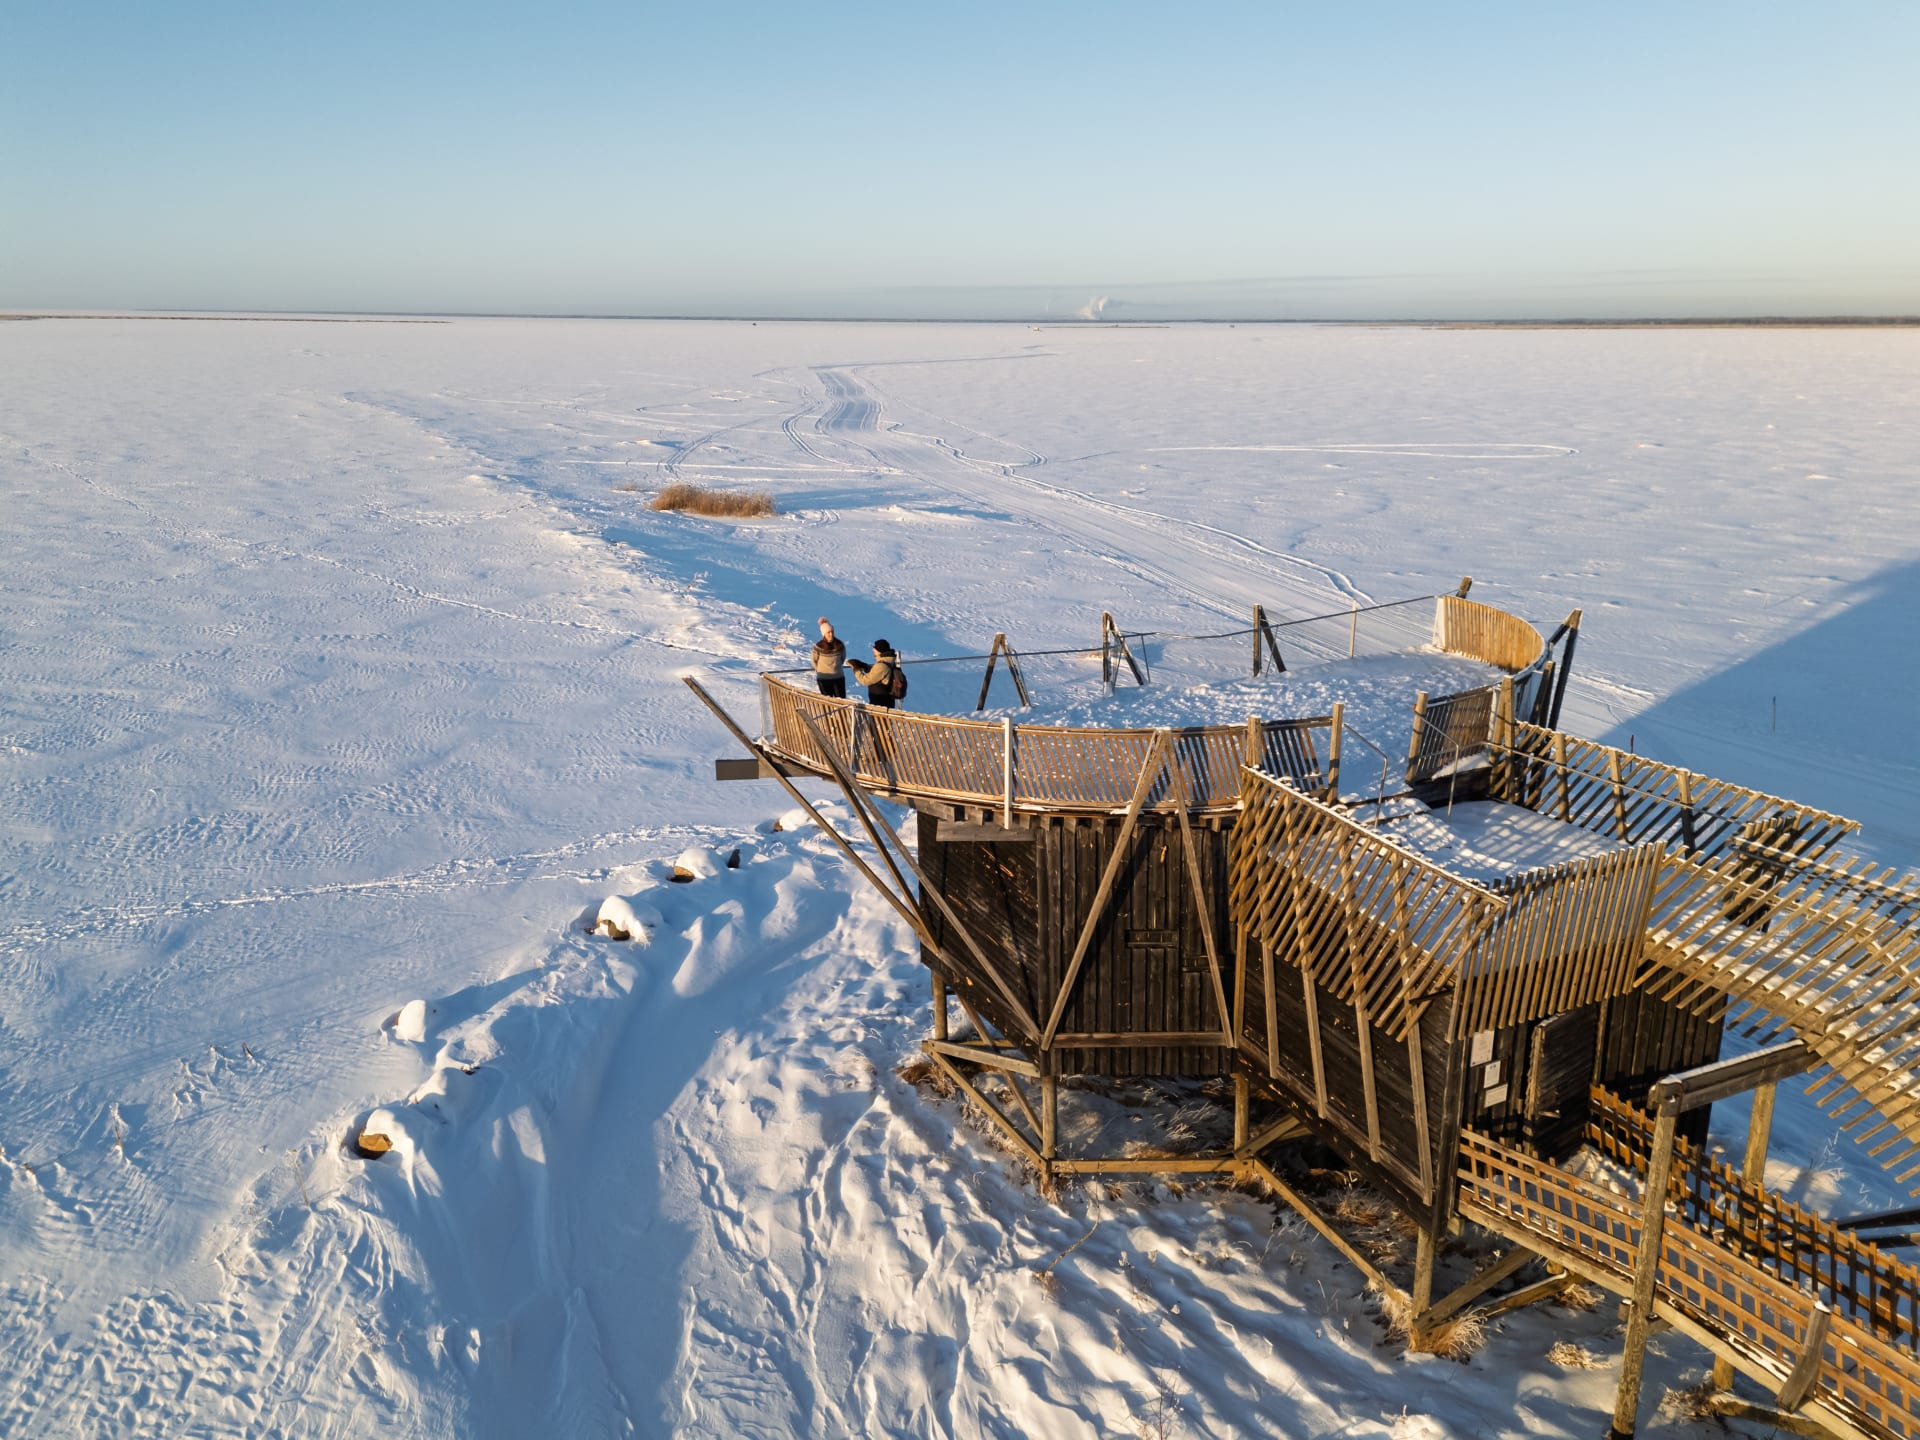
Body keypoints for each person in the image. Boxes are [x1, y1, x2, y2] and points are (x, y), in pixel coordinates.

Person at [849, 639, 899, 708]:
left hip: (880, 703)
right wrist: (864, 666)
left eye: (875, 648)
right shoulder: (889, 662)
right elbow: (877, 672)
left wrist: (856, 669)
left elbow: (865, 681)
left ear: (879, 651)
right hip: (887, 701)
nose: (873, 650)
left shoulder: (882, 666)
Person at [811, 617, 847, 698]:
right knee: (827, 701)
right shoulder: (818, 646)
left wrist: (836, 667)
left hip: (838, 677)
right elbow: (814, 660)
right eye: (828, 632)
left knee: (841, 700)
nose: (831, 634)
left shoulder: (839, 645)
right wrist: (820, 670)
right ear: (824, 634)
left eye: (832, 631)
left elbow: (843, 657)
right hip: (824, 679)